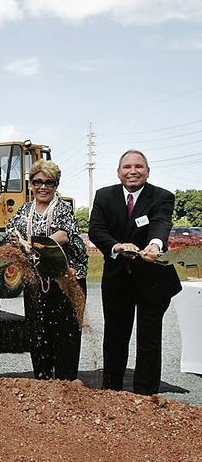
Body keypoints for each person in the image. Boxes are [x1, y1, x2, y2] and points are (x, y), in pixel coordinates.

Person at [89, 149, 181, 395]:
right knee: (115, 338)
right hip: (117, 278)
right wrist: (116, 246)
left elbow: (161, 223)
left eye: (138, 166)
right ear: (118, 172)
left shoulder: (162, 196)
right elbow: (96, 230)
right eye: (127, 167)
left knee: (149, 340)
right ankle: (111, 392)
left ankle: (146, 396)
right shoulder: (104, 196)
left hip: (152, 279)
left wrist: (155, 245)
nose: (132, 171)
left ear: (147, 171)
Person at [3, 159, 88, 380]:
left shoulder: (62, 208)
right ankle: (42, 381)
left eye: (48, 182)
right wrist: (16, 238)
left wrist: (40, 244)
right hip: (36, 282)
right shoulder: (25, 209)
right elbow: (11, 230)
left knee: (65, 335)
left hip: (65, 282)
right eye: (37, 181)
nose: (43, 187)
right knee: (38, 333)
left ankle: (65, 383)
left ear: (56, 185)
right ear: (31, 184)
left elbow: (65, 234)